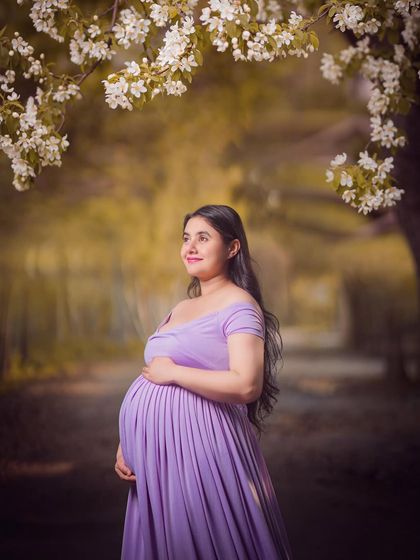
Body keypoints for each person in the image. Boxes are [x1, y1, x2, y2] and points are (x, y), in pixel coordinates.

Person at [115, 204, 293, 560]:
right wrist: (128, 441)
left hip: (203, 451)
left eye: (202, 237)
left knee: (204, 541)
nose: (190, 247)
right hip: (159, 458)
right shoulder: (181, 308)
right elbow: (154, 372)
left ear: (232, 248)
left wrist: (175, 374)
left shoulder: (240, 307)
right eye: (185, 238)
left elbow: (246, 385)